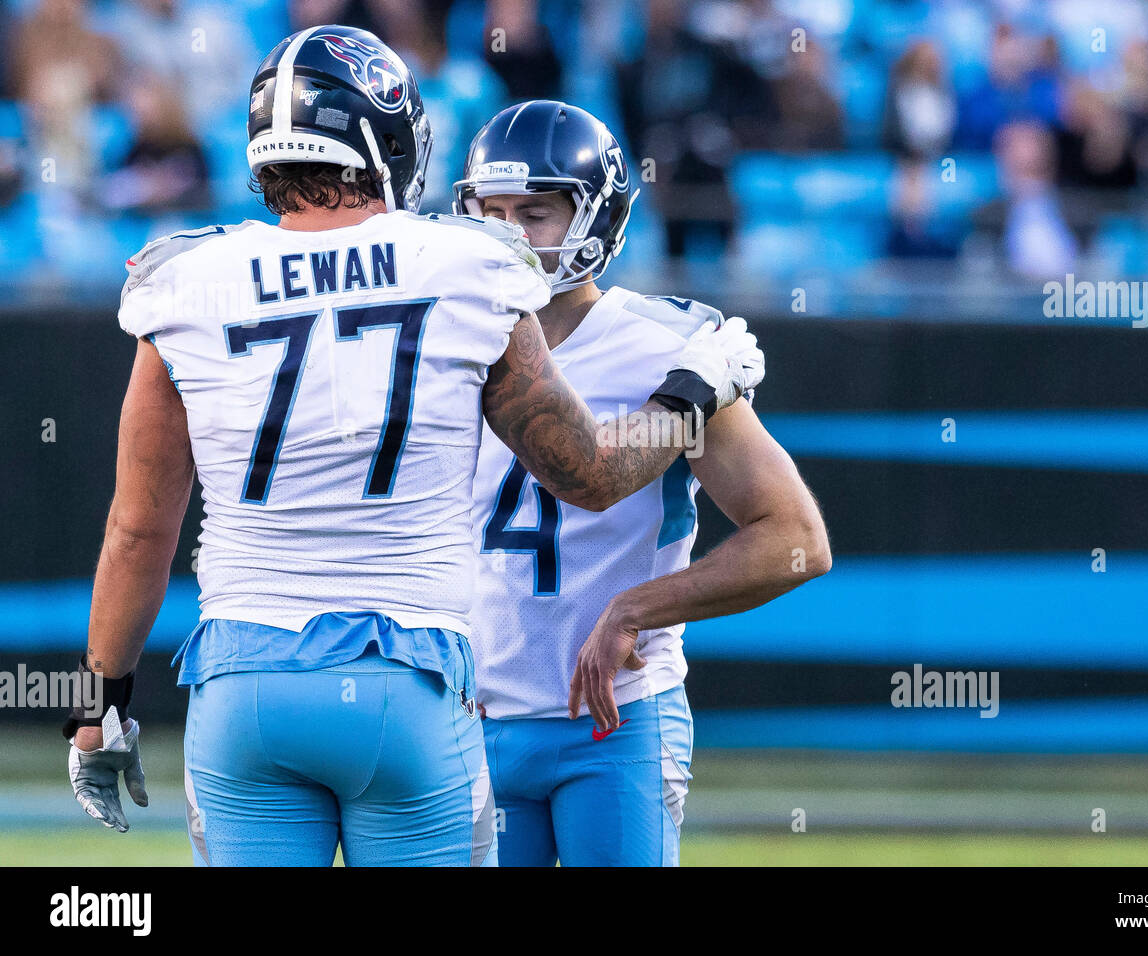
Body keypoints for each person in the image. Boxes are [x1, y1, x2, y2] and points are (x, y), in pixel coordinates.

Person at [62, 27, 764, 867]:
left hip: (242, 684)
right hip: (406, 680)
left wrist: (96, 705)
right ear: (389, 139)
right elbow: (592, 475)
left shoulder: (185, 280)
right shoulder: (465, 265)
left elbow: (137, 532)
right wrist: (697, 389)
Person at [455, 100, 831, 866]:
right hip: (469, 720)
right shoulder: (445, 334)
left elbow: (793, 539)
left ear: (596, 219)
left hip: (615, 719)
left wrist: (638, 607)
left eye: (534, 212)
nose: (508, 235)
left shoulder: (667, 347)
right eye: (490, 213)